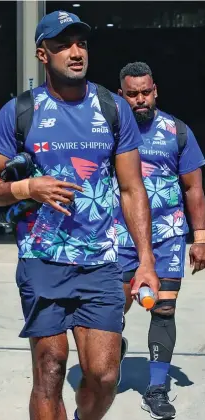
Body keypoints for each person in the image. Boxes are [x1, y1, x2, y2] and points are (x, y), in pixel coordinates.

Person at [0, 11, 160, 420]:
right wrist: (26, 188)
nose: (76, 53)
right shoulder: (21, 111)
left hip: (101, 263)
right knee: (50, 367)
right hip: (42, 260)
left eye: (82, 44)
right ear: (43, 54)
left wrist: (146, 259)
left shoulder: (113, 108)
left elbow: (132, 189)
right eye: (63, 45)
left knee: (104, 377)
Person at [116, 62, 205, 419]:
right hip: (119, 236)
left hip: (168, 236)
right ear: (121, 96)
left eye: (145, 92)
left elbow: (194, 187)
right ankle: (109, 348)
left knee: (163, 310)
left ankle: (156, 388)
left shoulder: (177, 131)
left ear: (156, 91)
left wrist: (200, 238)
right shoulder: (108, 131)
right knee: (110, 309)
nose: (140, 100)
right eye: (132, 94)